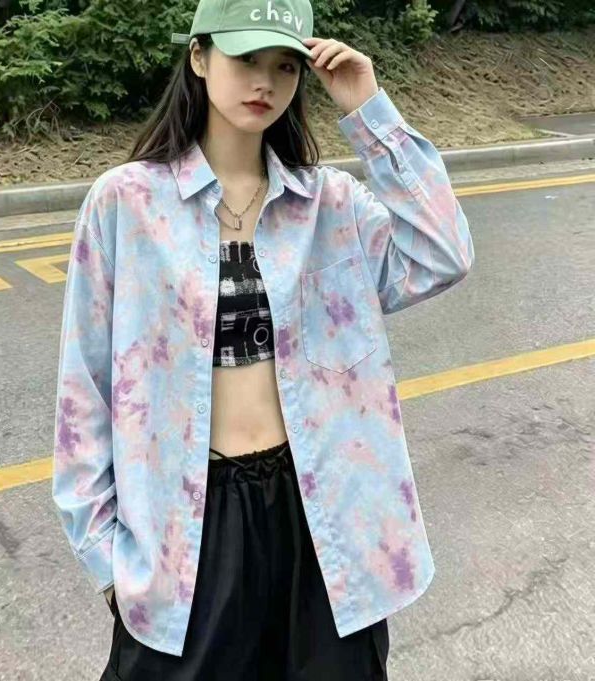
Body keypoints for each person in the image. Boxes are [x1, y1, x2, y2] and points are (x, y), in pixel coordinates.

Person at [51, 0, 474, 678]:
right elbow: (84, 391)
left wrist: (369, 111)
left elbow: (443, 254)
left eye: (284, 66)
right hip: (188, 526)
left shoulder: (329, 204)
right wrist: (107, 560)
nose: (265, 82)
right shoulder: (125, 203)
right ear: (199, 57)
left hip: (325, 519)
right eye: (246, 58)